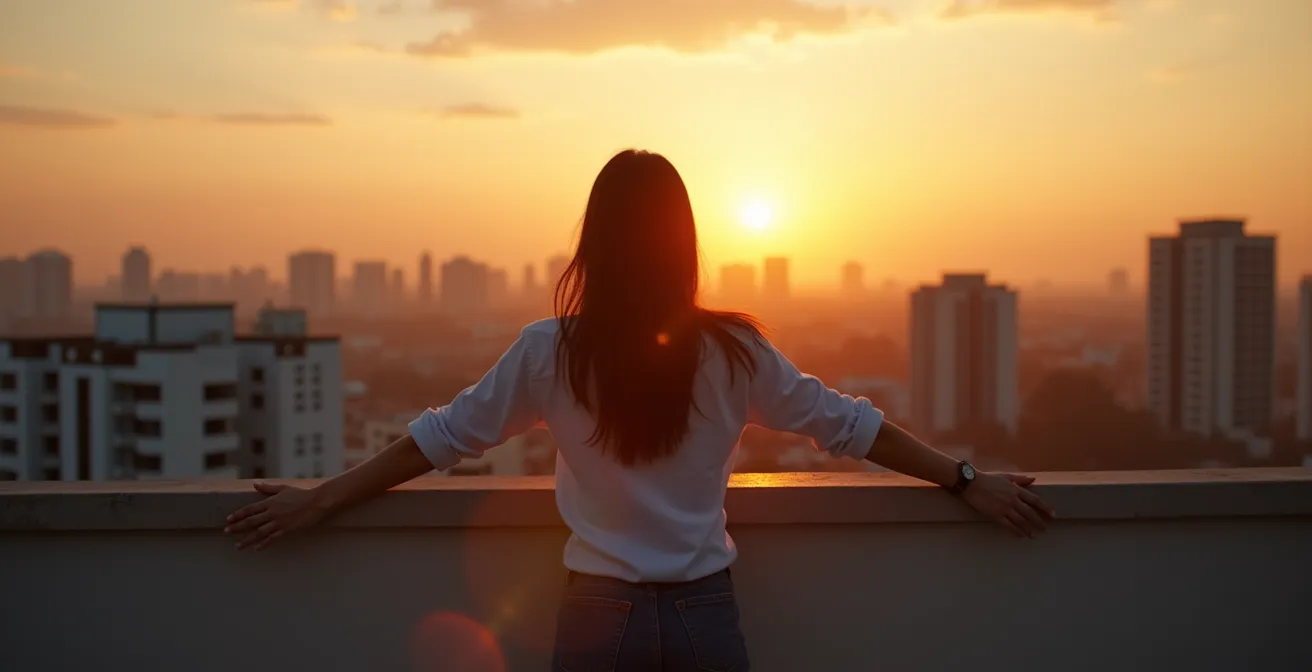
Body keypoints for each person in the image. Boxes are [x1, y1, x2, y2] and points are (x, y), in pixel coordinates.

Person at [225, 149, 1056, 671]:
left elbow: (441, 441)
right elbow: (847, 425)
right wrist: (965, 479)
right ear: (683, 243)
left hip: (598, 612)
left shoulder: (552, 350)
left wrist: (320, 500)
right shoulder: (733, 353)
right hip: (705, 610)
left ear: (595, 242)